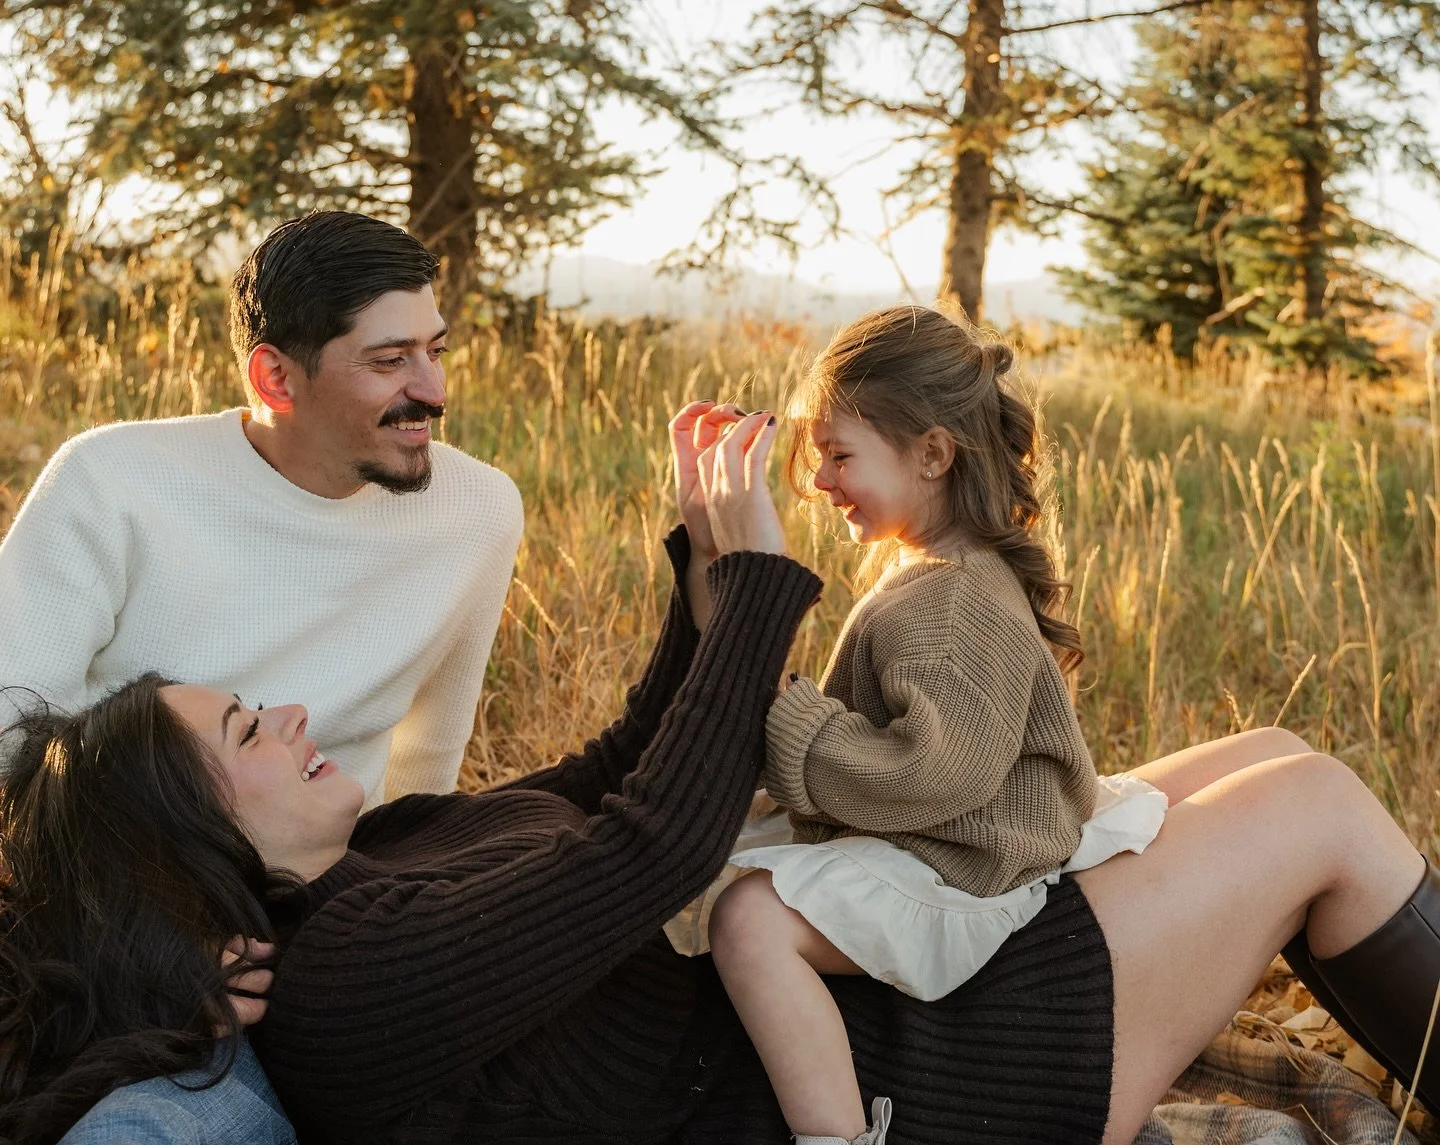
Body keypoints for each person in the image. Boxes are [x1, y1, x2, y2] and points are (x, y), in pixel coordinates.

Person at [1, 405, 1435, 1145]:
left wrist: (698, 571)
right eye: (252, 732)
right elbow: (651, 848)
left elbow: (616, 774)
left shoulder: (385, 854)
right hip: (913, 1087)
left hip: (871, 1000)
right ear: (196, 840)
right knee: (1316, 813)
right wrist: (756, 581)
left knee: (1275, 753)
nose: (295, 711)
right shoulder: (352, 980)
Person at [702, 306, 1168, 1145]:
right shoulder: (930, 570)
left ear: (932, 453)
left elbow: (931, 772)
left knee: (749, 921)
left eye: (840, 455)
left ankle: (837, 1137)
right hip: (928, 840)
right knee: (724, 863)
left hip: (958, 867)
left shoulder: (952, 596)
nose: (820, 482)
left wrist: (795, 724)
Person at [0, 211, 523, 807]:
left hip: (342, 877)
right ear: (275, 377)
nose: (434, 392)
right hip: (139, 874)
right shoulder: (110, 482)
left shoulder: (479, 510)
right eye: (389, 361)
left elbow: (428, 765)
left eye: (436, 351)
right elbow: (9, 742)